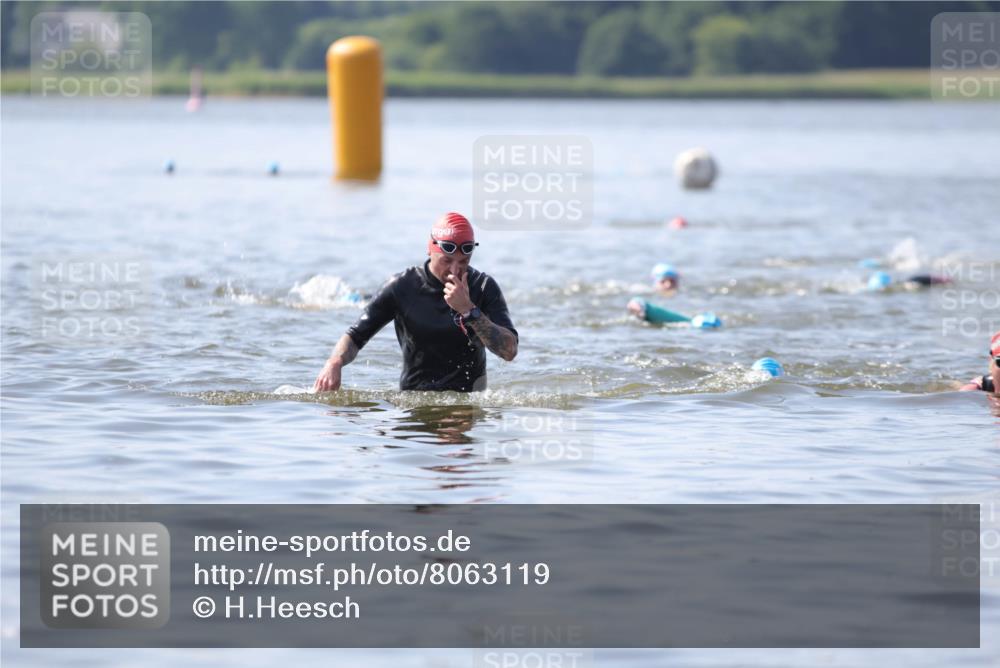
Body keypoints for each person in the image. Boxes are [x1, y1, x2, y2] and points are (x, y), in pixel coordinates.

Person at [313, 213, 518, 393]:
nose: (455, 270)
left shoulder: (483, 287)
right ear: (430, 250)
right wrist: (335, 362)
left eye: (463, 262)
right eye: (447, 260)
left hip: (467, 404)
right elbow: (355, 336)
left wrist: (469, 310)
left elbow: (509, 351)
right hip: (415, 403)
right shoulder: (402, 287)